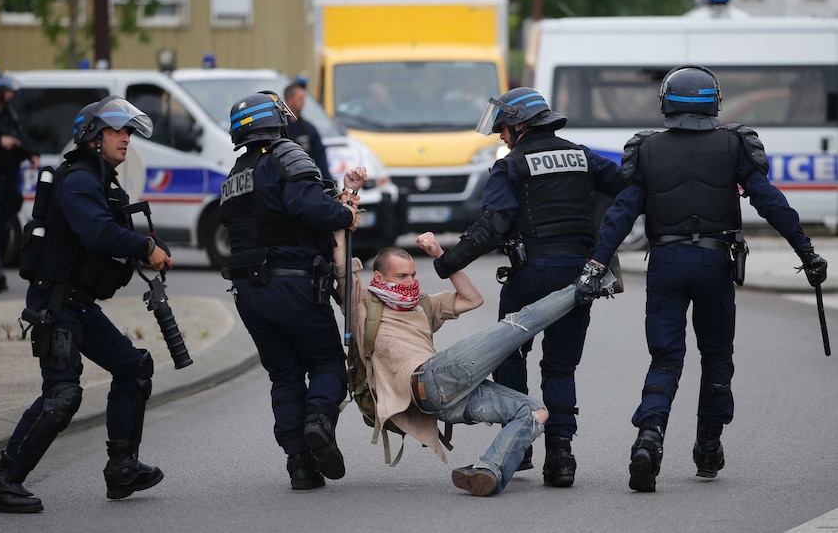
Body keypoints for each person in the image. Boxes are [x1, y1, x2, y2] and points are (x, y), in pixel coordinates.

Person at [574, 65, 829, 493]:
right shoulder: (734, 146)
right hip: (714, 263)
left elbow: (621, 213)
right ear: (715, 101)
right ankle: (708, 449)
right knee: (717, 357)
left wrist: (595, 265)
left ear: (665, 103)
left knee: (666, 360)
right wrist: (807, 252)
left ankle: (649, 438)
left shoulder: (647, 150)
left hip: (667, 263)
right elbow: (770, 201)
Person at [0, 95, 173, 513]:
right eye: (117, 131)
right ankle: (2, 482)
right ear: (92, 137)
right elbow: (98, 234)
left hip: (78, 303)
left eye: (128, 132)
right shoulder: (80, 180)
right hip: (57, 304)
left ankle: (122, 467)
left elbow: (110, 234)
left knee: (133, 367)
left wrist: (151, 245)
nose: (127, 139)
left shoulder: (100, 180)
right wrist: (144, 246)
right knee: (63, 394)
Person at [334, 217, 614, 496]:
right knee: (517, 326)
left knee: (534, 412)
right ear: (379, 278)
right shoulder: (362, 306)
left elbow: (471, 299)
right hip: (427, 378)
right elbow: (343, 268)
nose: (409, 283)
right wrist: (344, 215)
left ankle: (488, 469)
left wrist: (441, 256)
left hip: (444, 400)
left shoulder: (422, 304)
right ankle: (587, 285)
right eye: (401, 276)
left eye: (412, 275)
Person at [432, 87, 623, 487]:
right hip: (578, 276)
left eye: (503, 128)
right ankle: (562, 456)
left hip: (530, 275)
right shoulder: (581, 155)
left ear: (519, 125)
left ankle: (520, 448)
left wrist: (448, 262)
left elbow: (493, 226)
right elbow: (627, 187)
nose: (501, 136)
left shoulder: (511, 165)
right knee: (560, 365)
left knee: (509, 356)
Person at [218, 90, 361, 490]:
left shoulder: (234, 176)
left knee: (283, 375)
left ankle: (300, 464)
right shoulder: (286, 155)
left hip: (248, 292)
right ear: (276, 121)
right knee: (328, 363)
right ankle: (319, 421)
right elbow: (311, 207)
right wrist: (344, 212)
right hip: (293, 283)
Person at [0, 71, 40, 293]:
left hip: (9, 181)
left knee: (4, 228)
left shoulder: (10, 114)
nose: (11, 95)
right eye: (7, 91)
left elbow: (22, 136)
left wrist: (32, 153)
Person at [283, 82, 333, 182]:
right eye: (300, 99)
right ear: (289, 100)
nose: (303, 102)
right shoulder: (280, 128)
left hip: (306, 181)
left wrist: (330, 183)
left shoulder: (308, 129)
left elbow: (320, 157)